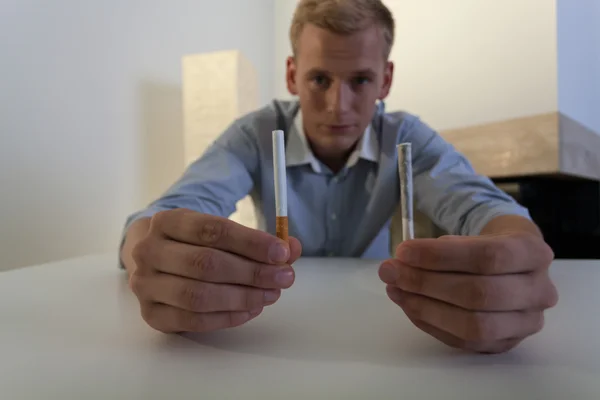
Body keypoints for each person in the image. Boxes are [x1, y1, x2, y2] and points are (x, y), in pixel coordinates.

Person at [120, 0, 558, 354]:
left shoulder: (406, 138)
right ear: (292, 75)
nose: (338, 106)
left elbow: (488, 209)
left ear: (386, 79)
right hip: (278, 330)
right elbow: (159, 219)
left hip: (376, 331)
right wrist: (151, 252)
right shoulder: (255, 134)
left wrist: (514, 253)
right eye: (320, 79)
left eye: (361, 80)